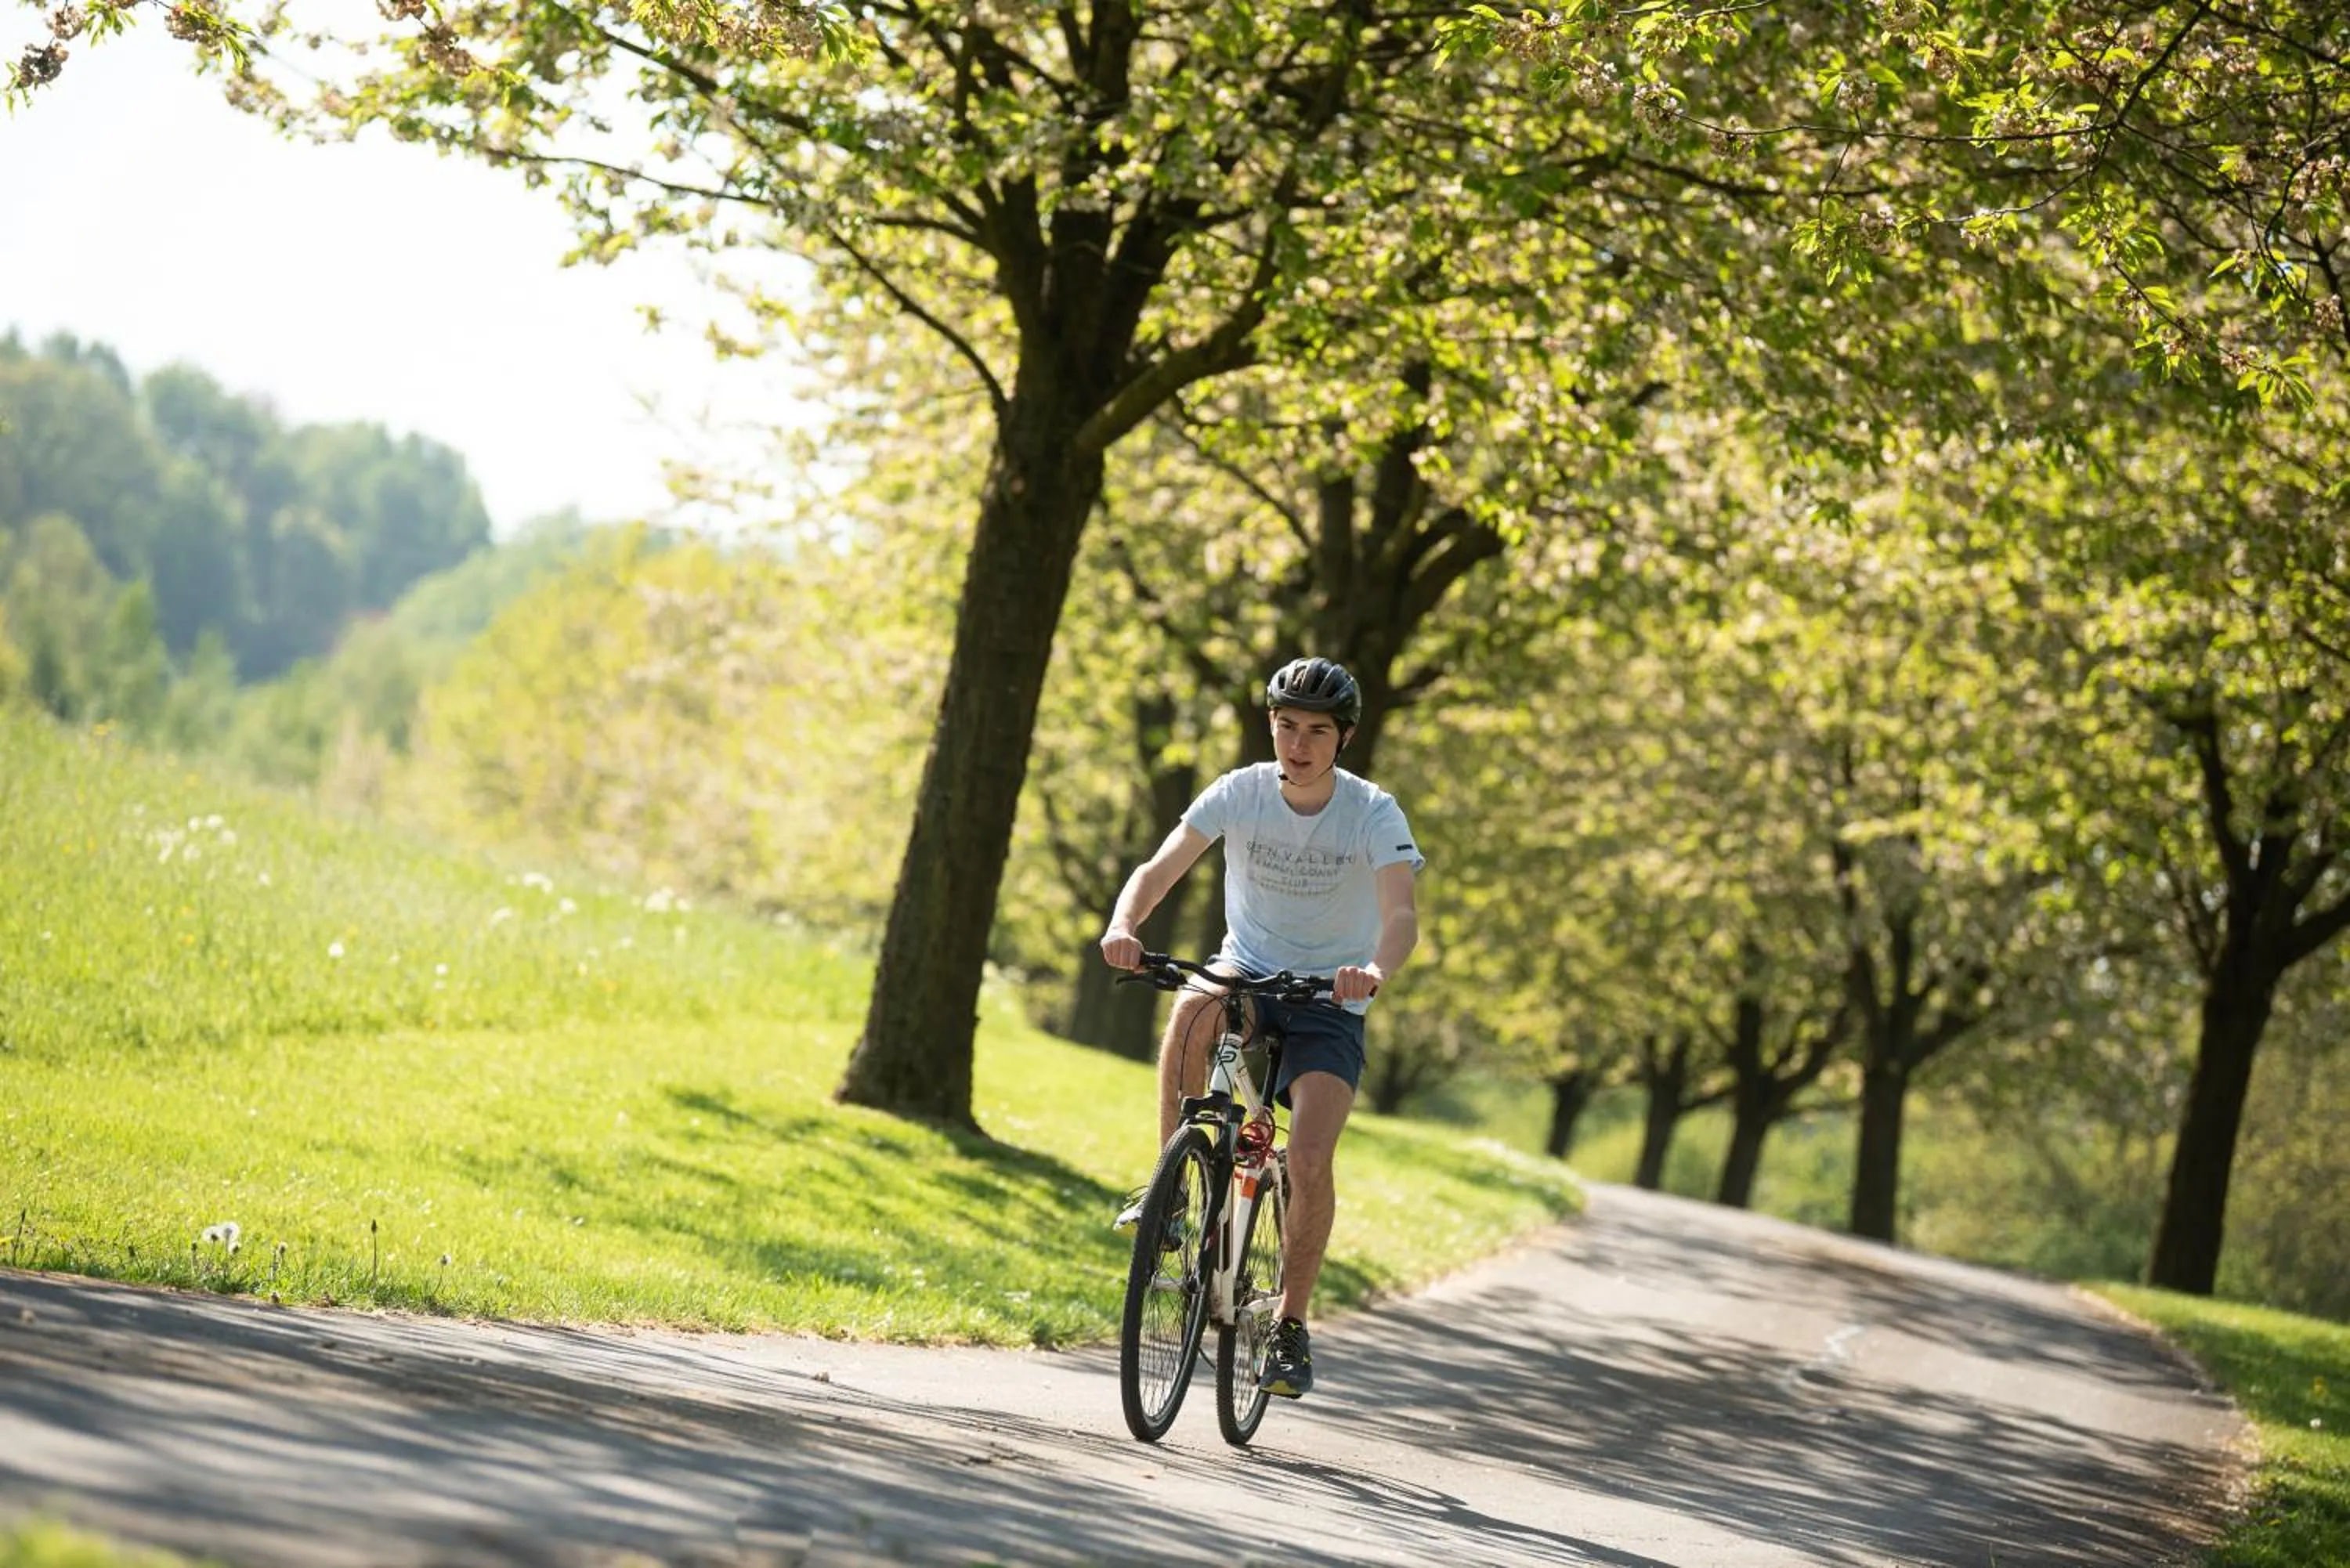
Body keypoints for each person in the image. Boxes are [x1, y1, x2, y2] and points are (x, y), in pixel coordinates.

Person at [1097, 656, 1423, 1400]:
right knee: (1190, 1015)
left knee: (1308, 1155)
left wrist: (1373, 970)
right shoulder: (1240, 792)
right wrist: (1124, 923)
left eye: (1315, 731)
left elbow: (1401, 915)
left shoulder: (1374, 812)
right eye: (1285, 727)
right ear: (1270, 727)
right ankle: (1170, 1198)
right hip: (1248, 970)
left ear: (1343, 738)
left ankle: (1289, 1327)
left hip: (1332, 997)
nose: (1298, 746)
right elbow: (1160, 866)